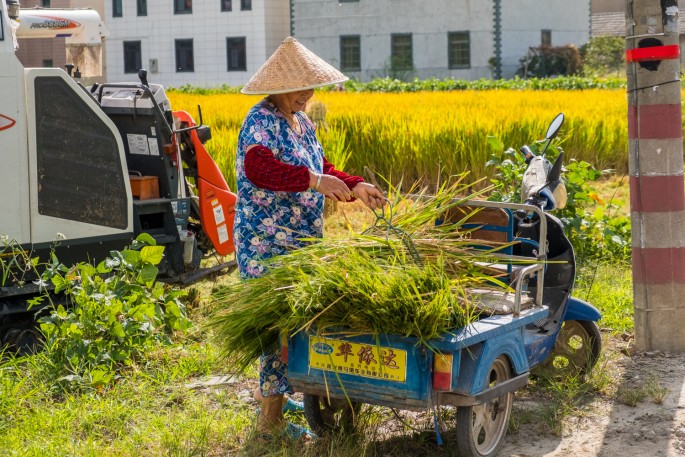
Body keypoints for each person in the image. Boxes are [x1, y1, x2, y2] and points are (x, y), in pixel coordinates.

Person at [233, 37, 385, 440]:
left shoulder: (302, 122)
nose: (306, 94)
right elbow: (260, 170)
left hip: (301, 241)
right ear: (278, 86)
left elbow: (321, 166)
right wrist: (317, 181)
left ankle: (283, 398)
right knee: (275, 329)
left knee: (298, 324)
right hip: (266, 243)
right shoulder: (259, 122)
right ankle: (269, 425)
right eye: (299, 87)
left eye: (311, 86)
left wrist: (356, 185)